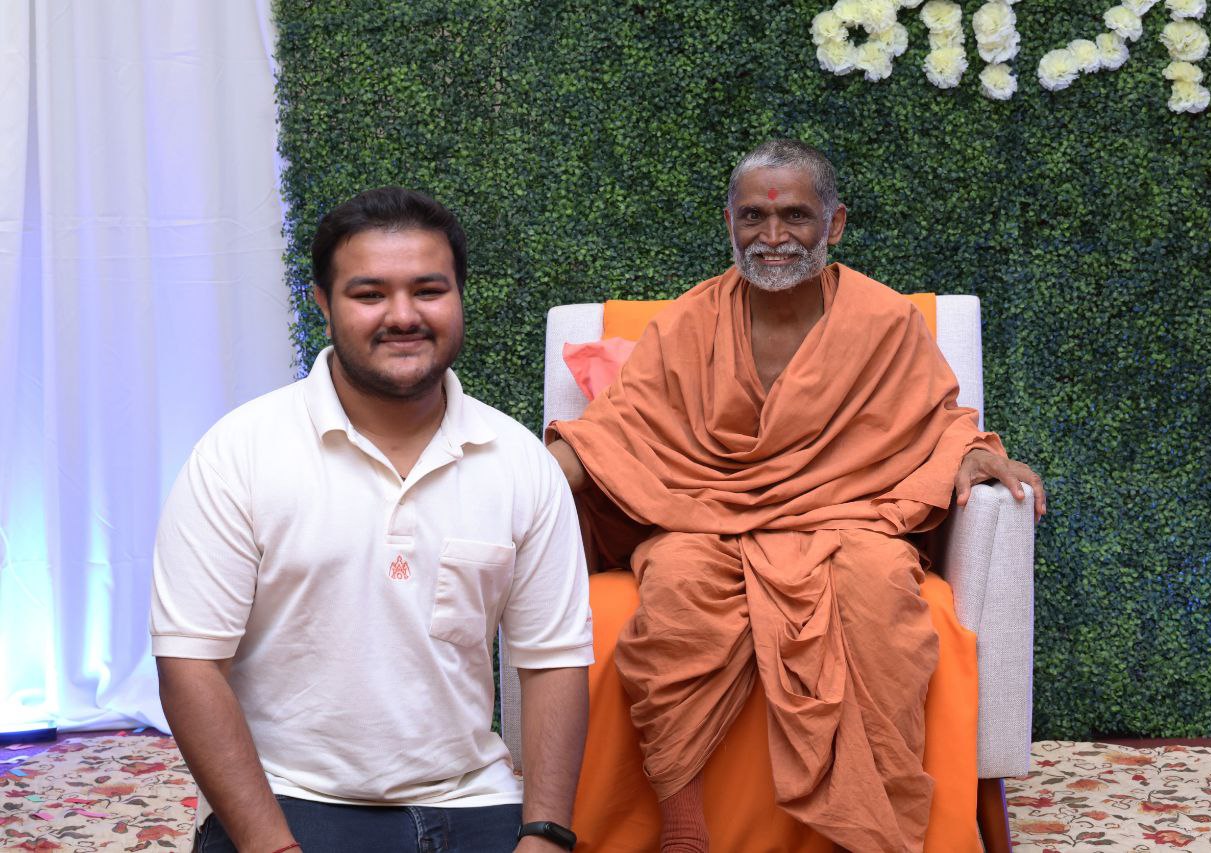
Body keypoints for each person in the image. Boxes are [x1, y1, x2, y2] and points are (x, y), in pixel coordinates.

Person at [546, 139, 1045, 852]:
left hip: (849, 519)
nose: (773, 235)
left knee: (878, 590)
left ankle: (866, 833)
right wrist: (529, 477)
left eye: (796, 217)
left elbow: (933, 419)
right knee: (677, 583)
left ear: (834, 224)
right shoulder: (688, 321)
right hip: (706, 517)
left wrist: (973, 453)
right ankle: (683, 828)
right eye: (753, 216)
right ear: (729, 222)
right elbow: (617, 428)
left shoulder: (884, 320)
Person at [151, 187, 592, 853]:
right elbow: (190, 665)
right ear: (323, 304)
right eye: (369, 294)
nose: (403, 315)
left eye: (429, 290)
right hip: (289, 800)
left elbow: (553, 660)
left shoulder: (519, 462)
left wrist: (546, 835)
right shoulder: (238, 453)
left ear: (460, 296)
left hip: (472, 796)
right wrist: (272, 845)